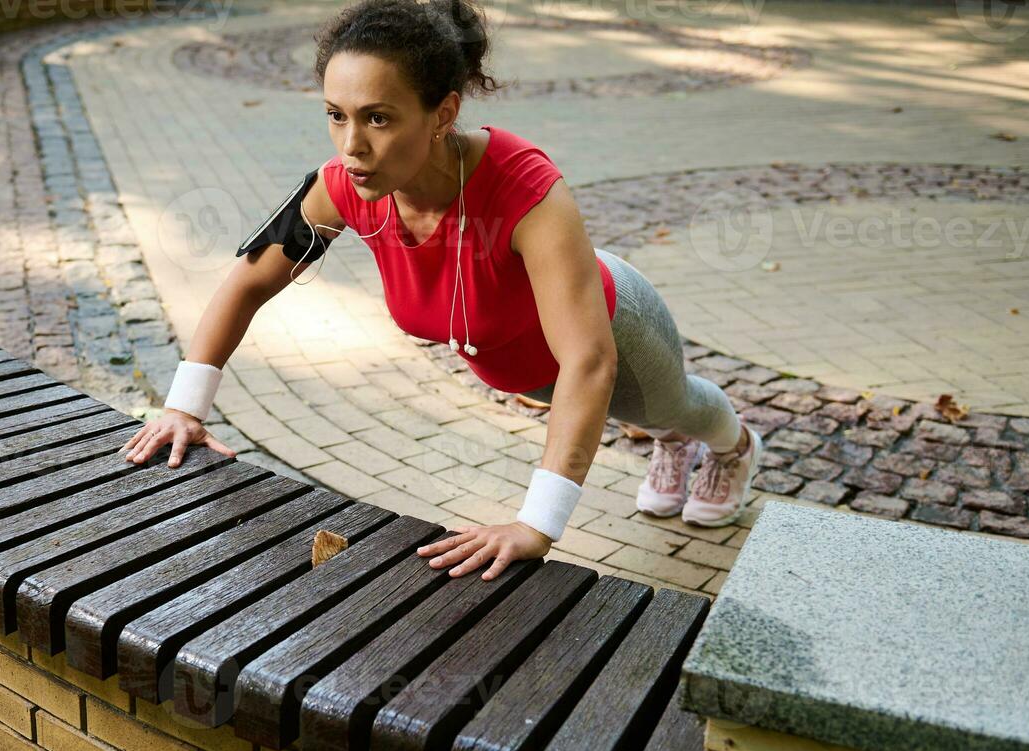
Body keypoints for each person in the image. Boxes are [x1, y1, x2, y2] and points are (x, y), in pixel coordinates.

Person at [121, 0, 761, 582]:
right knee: (647, 421)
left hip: (615, 328)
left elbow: (589, 361)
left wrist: (537, 523)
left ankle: (733, 449)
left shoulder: (524, 189)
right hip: (520, 362)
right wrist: (185, 407)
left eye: (378, 118)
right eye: (335, 116)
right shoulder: (344, 186)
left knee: (672, 408)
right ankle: (673, 445)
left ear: (443, 114)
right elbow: (249, 281)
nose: (352, 146)